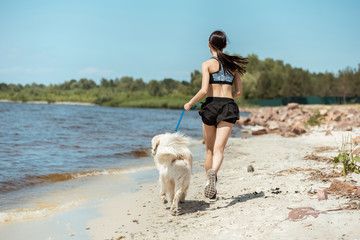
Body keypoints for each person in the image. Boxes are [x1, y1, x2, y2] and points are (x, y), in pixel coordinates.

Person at [184, 30, 248, 202]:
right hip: (227, 106)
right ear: (225, 45)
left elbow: (204, 90)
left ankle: (209, 188)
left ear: (208, 44)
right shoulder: (233, 65)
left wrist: (189, 104)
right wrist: (226, 99)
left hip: (211, 106)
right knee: (220, 149)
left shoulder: (206, 64)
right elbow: (239, 92)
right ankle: (214, 174)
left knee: (210, 150)